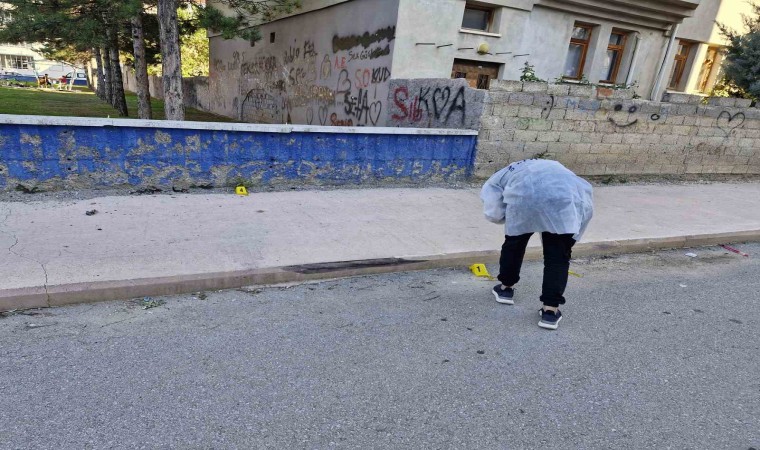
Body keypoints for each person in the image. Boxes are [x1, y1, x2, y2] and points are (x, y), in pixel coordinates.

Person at [480, 159, 594, 330]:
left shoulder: (499, 177)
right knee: (557, 257)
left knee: (515, 244)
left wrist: (507, 219)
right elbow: (585, 205)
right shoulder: (560, 170)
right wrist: (570, 240)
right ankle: (550, 311)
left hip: (524, 197)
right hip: (563, 200)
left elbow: (493, 211)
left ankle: (505, 289)